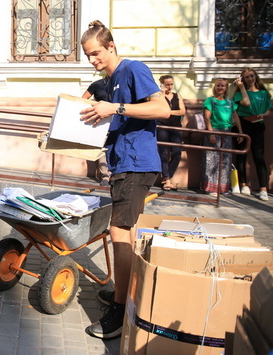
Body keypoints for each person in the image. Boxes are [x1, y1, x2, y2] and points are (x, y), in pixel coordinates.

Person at [79, 20, 170, 339]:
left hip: (137, 163)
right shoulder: (111, 79)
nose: (92, 60)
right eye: (87, 55)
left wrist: (114, 108)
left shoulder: (133, 69)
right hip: (122, 163)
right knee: (125, 233)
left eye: (96, 53)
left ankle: (120, 311)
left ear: (111, 46)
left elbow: (162, 108)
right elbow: (118, 119)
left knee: (119, 231)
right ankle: (125, 293)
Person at [232, 68, 271, 201]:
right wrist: (241, 87)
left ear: (256, 76)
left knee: (258, 156)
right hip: (243, 124)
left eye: (252, 76)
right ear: (243, 79)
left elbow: (268, 109)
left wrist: (263, 115)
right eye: (247, 77)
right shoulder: (239, 93)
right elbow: (246, 103)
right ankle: (243, 185)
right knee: (241, 155)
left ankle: (263, 189)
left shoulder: (263, 93)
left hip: (257, 124)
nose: (250, 79)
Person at [201, 79, 243, 195]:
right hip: (214, 131)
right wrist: (211, 133)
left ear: (226, 88)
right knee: (211, 160)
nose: (220, 87)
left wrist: (240, 132)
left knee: (226, 160)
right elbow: (207, 118)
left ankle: (223, 188)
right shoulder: (210, 101)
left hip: (227, 132)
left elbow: (235, 117)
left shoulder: (230, 101)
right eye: (218, 85)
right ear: (215, 87)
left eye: (223, 86)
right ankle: (210, 188)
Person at [156, 75, 185, 191]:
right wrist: (162, 95)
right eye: (167, 84)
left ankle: (168, 175)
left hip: (176, 127)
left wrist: (168, 112)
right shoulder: (159, 96)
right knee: (163, 152)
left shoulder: (177, 96)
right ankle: (167, 179)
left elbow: (182, 111)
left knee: (177, 153)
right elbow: (159, 109)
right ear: (162, 84)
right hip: (162, 125)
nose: (169, 87)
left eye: (171, 84)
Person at [82, 76, 111, 186]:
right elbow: (83, 99)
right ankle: (105, 175)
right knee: (101, 148)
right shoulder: (97, 84)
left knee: (116, 148)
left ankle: (115, 174)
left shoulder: (122, 83)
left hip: (119, 121)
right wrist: (95, 106)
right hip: (100, 122)